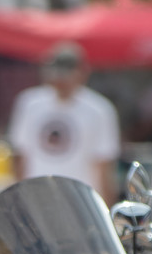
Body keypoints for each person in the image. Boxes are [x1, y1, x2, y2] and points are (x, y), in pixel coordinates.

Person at [7, 42, 122, 201]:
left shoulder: (99, 110)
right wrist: (20, 200)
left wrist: (108, 209)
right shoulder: (30, 103)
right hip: (38, 197)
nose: (61, 82)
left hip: (81, 201)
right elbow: (20, 156)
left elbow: (104, 166)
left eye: (66, 76)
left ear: (82, 73)